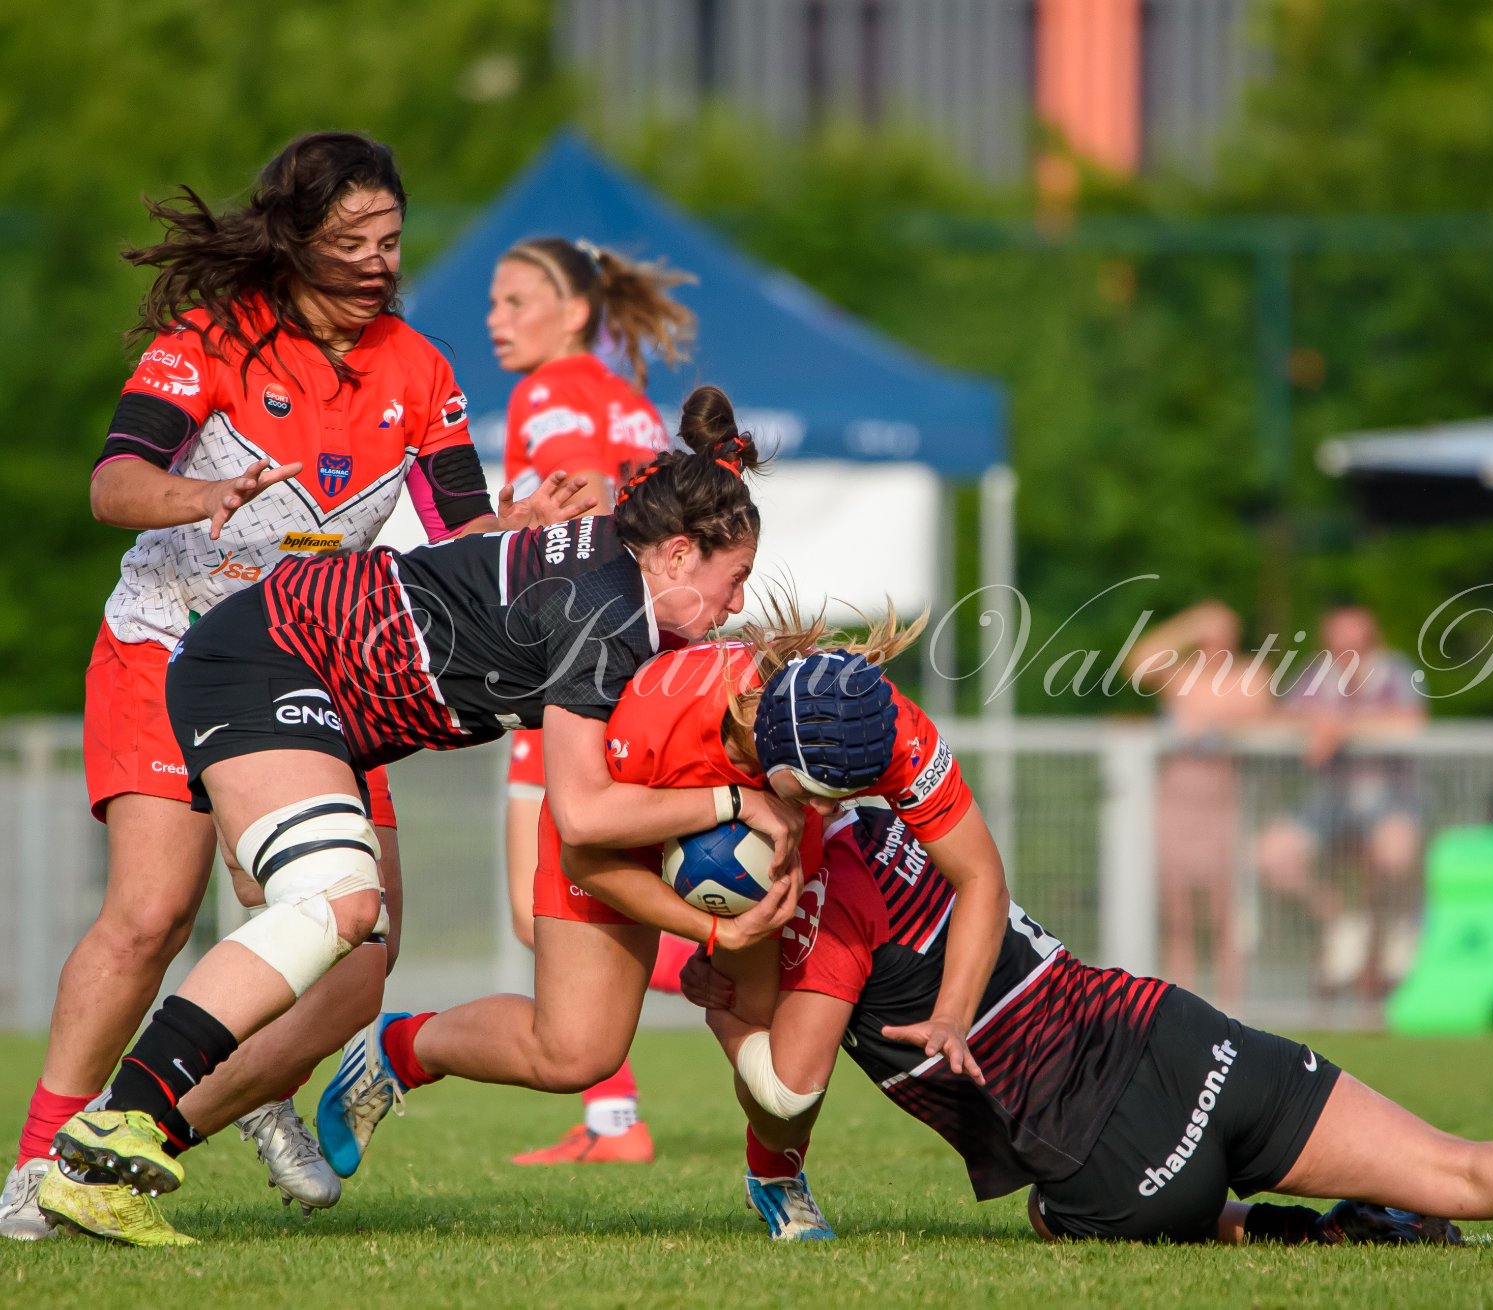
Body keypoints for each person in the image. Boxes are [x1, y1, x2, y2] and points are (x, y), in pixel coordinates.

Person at [0, 131, 583, 1243]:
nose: (377, 260)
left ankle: (154, 1131)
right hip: (170, 647)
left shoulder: (419, 368)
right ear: (293, 238)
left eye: (392, 239)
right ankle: (39, 1162)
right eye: (349, 241)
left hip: (317, 665)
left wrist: (519, 527)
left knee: (358, 962)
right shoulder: (212, 340)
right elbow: (112, 484)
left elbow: (463, 536)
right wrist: (198, 493)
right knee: (152, 910)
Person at [32, 391, 779, 1247]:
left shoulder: (623, 563)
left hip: (303, 681)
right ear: (679, 553)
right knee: (340, 901)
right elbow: (582, 811)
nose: (735, 605)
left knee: (352, 961)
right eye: (735, 581)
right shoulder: (601, 611)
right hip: (267, 660)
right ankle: (111, 1120)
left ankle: (89, 1174)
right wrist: (732, 803)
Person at [664, 742, 1493, 1255]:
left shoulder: (824, 917)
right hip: (1183, 1035)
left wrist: (719, 993)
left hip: (1112, 1158)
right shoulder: (890, 817)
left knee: (1053, 1216)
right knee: (1460, 1166)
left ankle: (1287, 1230)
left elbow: (789, 1079)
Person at [313, 617, 1012, 1244]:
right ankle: (396, 1050)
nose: (841, 809)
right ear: (767, 754)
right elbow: (588, 850)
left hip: (748, 822)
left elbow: (981, 875)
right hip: (614, 825)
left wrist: (951, 1014)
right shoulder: (659, 723)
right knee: (576, 1056)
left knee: (776, 1057)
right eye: (823, 796)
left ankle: (775, 1177)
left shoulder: (878, 724)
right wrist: (713, 937)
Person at [489, 235, 699, 1166]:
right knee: (582, 902)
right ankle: (615, 1119)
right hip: (643, 672)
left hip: (571, 669)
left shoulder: (550, 393)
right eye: (494, 302)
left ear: (575, 312)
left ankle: (748, 967)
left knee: (543, 916)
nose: (497, 319)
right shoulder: (633, 404)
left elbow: (577, 504)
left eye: (516, 300)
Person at [1254, 605, 1427, 999]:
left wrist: (1339, 728)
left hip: (1389, 797)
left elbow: (1410, 721)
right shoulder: (1318, 675)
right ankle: (1341, 919)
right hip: (1330, 801)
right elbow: (1281, 718)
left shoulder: (1395, 672)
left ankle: (1393, 939)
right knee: (1270, 855)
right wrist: (1316, 724)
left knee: (1395, 853)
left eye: (1357, 646)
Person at [1121, 602, 1270, 1007]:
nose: (1212, 645)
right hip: (1175, 807)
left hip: (1224, 807)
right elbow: (1136, 664)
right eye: (1206, 638)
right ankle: (1180, 1007)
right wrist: (1187, 623)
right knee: (1178, 916)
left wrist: (1208, 720)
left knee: (1225, 916)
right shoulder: (1181, 674)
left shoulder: (1249, 675)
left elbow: (1254, 715)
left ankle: (1232, 1009)